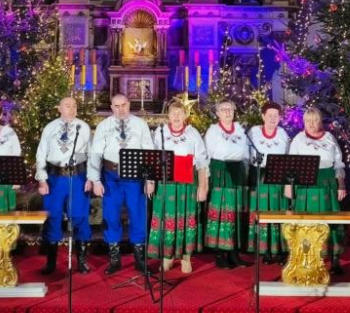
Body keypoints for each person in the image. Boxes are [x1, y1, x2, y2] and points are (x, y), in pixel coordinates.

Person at [89, 93, 155, 274]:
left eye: (123, 105)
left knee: (138, 214)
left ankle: (140, 260)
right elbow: (95, 154)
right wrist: (95, 180)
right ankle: (114, 259)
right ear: (111, 107)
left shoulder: (140, 124)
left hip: (135, 176)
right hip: (111, 176)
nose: (120, 109)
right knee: (111, 216)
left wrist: (150, 179)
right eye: (116, 106)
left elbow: (149, 151)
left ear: (129, 104)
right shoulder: (104, 126)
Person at [147, 101, 209, 274]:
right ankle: (167, 256)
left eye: (179, 113)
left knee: (185, 218)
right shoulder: (160, 132)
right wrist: (150, 182)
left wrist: (203, 185)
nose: (176, 116)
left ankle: (186, 257)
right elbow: (152, 159)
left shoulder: (192, 133)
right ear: (168, 115)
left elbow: (202, 161)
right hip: (166, 184)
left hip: (187, 184)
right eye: (173, 113)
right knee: (167, 218)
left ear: (185, 115)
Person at [285, 107, 346, 275]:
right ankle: (307, 258)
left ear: (320, 121)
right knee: (306, 223)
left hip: (327, 184)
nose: (311, 124)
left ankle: (334, 258)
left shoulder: (330, 138)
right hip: (305, 186)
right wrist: (288, 186)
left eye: (315, 120)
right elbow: (290, 165)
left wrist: (341, 185)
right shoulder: (298, 139)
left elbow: (338, 164)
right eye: (308, 121)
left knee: (330, 220)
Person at [36, 97, 92, 275]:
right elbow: (41, 154)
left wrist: (91, 178)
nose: (72, 108)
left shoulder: (83, 127)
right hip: (55, 178)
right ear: (59, 108)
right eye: (68, 106)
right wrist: (42, 178)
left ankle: (81, 261)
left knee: (80, 216)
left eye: (75, 106)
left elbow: (92, 154)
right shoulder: (50, 128)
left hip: (78, 177)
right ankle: (51, 262)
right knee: (53, 216)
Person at [204, 100, 252, 269]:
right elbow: (207, 155)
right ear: (217, 113)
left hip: (237, 171)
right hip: (220, 171)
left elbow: (246, 154)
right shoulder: (213, 131)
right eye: (223, 110)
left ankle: (234, 252)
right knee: (221, 212)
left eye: (230, 109)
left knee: (236, 212)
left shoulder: (240, 130)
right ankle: (219, 252)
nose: (227, 112)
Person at [247, 101, 291, 264]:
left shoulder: (283, 135)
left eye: (276, 116)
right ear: (263, 116)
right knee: (262, 211)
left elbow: (288, 157)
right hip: (259, 175)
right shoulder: (253, 132)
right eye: (269, 115)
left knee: (279, 210)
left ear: (280, 118)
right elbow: (247, 154)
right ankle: (263, 249)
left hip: (278, 176)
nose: (273, 119)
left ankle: (280, 249)